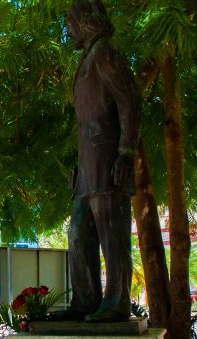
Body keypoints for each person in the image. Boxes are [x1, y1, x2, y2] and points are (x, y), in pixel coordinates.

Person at [63, 0, 140, 322]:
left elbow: (130, 102)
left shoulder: (105, 52)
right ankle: (84, 301)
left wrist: (126, 153)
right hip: (88, 169)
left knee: (112, 235)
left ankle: (117, 302)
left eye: (72, 23)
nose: (69, 30)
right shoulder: (88, 58)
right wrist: (79, 170)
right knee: (79, 233)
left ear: (86, 21)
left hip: (109, 163)